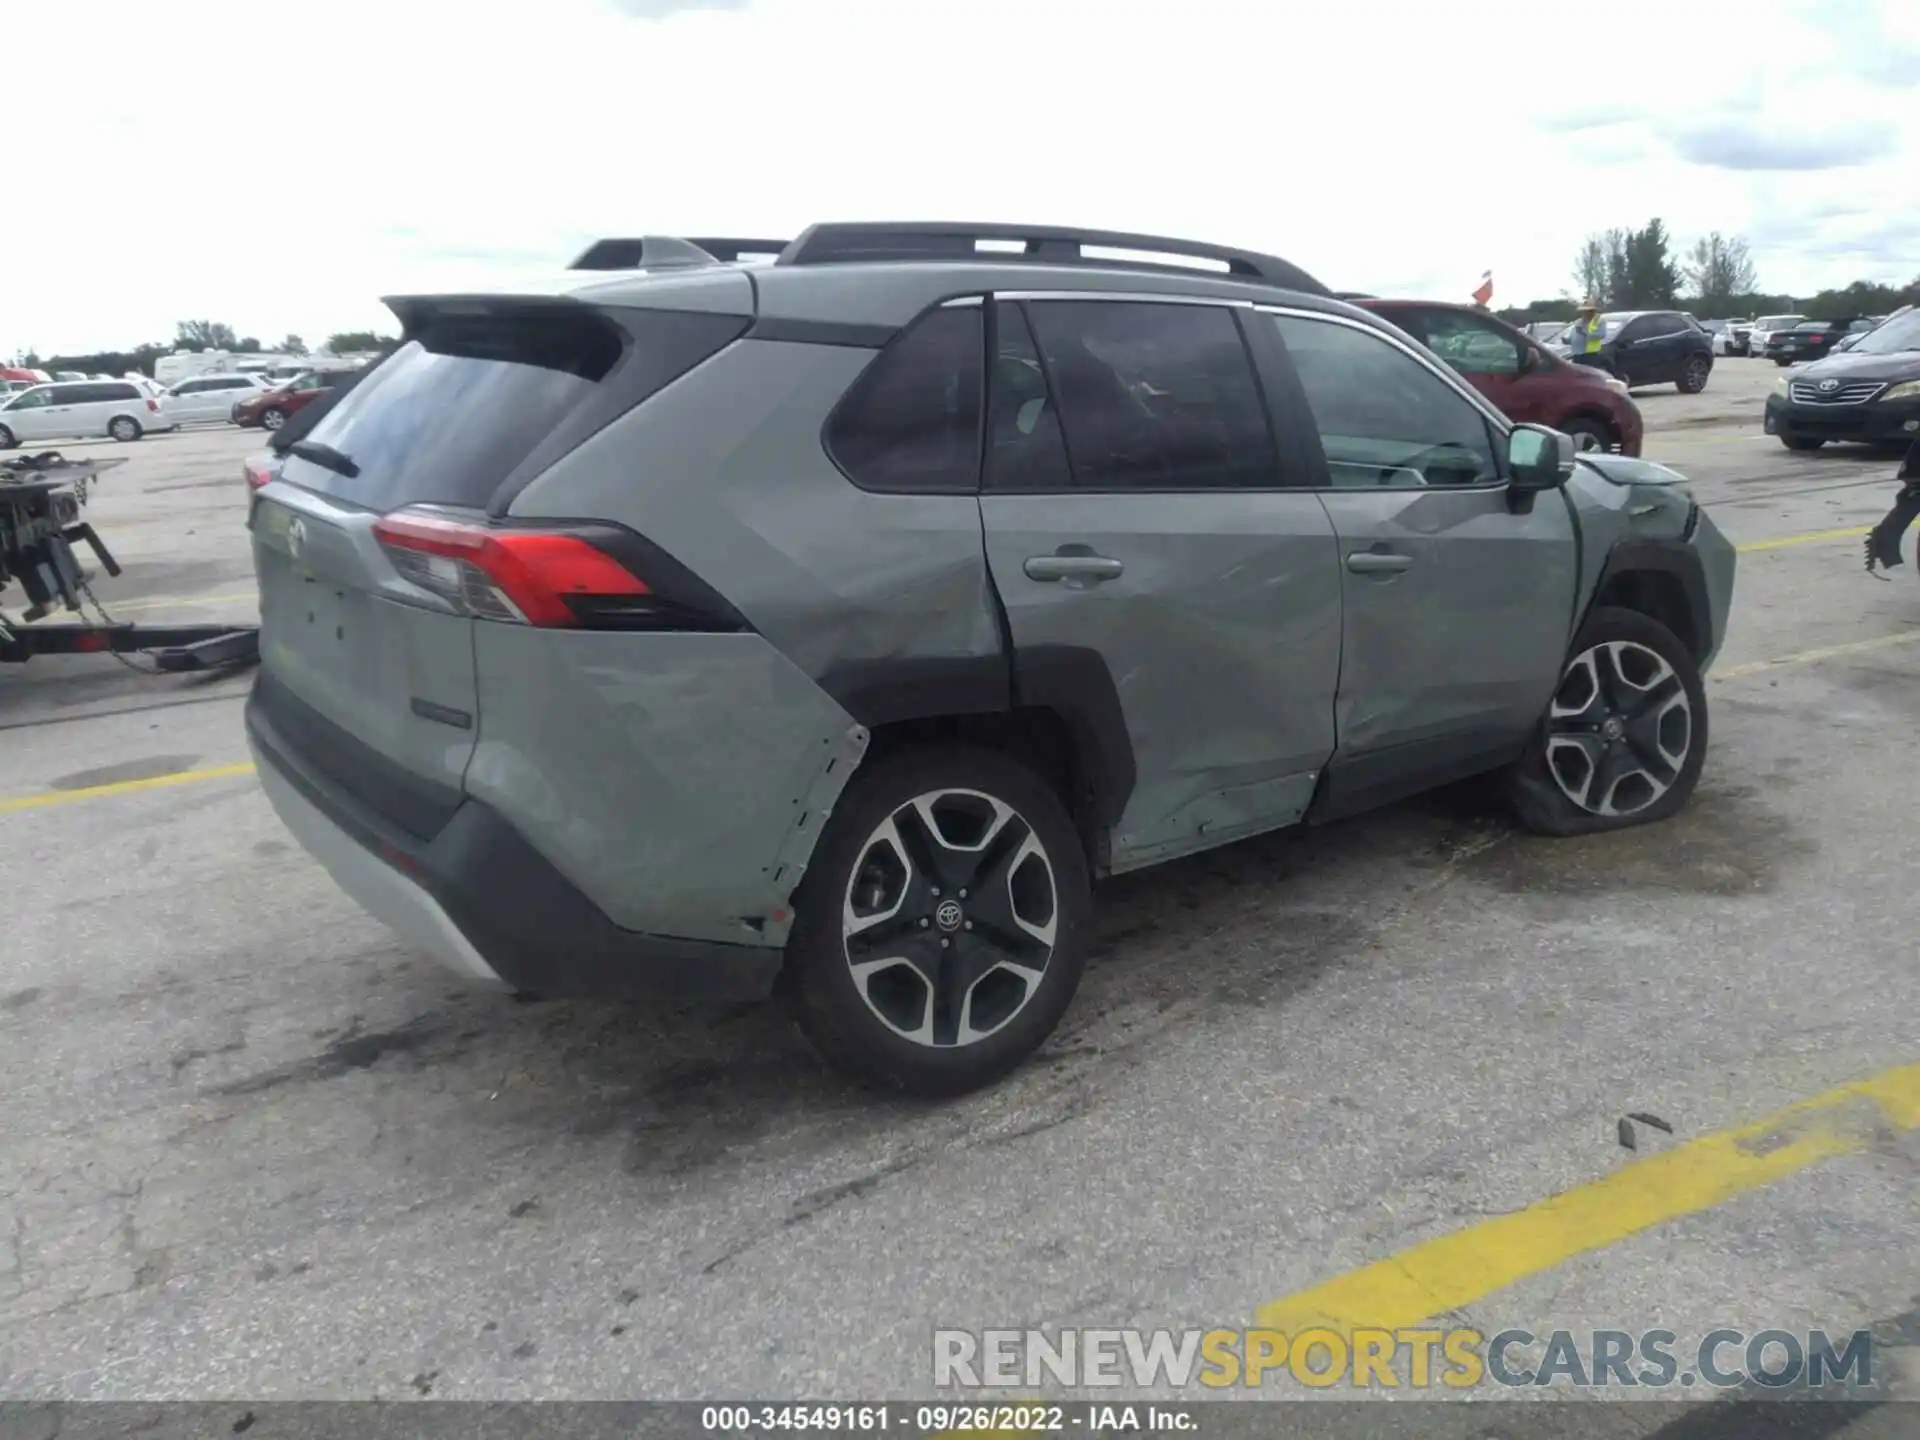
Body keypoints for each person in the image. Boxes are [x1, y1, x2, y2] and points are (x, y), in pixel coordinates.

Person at [1569, 300, 1608, 370]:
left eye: (1587, 311)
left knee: (1589, 376)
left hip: (1591, 355)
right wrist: (1568, 340)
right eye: (1583, 311)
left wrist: (1584, 332)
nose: (1584, 313)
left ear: (1592, 311)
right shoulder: (1578, 321)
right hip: (1577, 354)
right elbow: (1573, 335)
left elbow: (1602, 335)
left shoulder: (1599, 321)